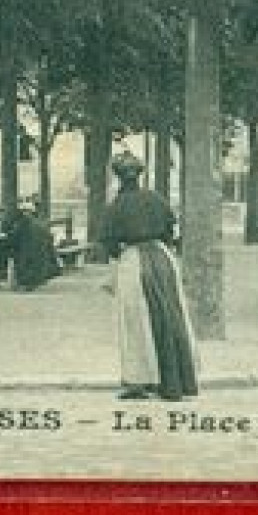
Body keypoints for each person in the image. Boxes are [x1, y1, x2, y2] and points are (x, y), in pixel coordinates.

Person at [99, 151, 198, 402]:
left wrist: (119, 256)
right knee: (171, 316)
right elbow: (171, 230)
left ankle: (140, 380)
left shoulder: (116, 206)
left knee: (137, 321)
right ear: (139, 176)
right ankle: (176, 381)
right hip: (163, 260)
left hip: (134, 260)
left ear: (119, 177)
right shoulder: (156, 199)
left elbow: (108, 242)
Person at [6, 199, 61, 292]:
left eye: (23, 211)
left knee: (14, 254)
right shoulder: (39, 223)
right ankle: (29, 283)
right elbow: (48, 237)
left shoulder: (23, 223)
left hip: (26, 254)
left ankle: (22, 283)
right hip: (39, 253)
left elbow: (13, 238)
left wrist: (8, 242)